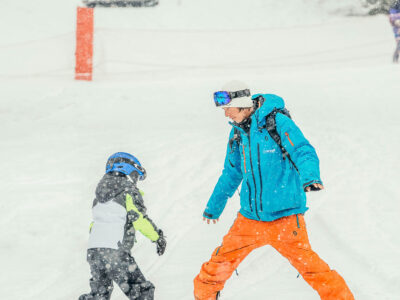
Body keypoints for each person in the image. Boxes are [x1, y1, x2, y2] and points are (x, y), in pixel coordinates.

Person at [193, 81, 354, 300]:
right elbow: (231, 173)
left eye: (227, 109)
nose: (226, 115)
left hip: (286, 220)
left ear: (241, 105)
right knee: (214, 270)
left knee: (316, 272)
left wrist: (310, 177)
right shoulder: (238, 134)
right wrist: (214, 207)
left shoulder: (276, 122)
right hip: (249, 221)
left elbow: (303, 150)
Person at [79, 152, 166, 300]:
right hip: (115, 252)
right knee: (140, 291)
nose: (136, 180)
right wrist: (157, 237)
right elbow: (139, 219)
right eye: (136, 175)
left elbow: (94, 226)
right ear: (128, 170)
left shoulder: (99, 196)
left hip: (94, 251)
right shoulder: (128, 191)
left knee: (100, 294)